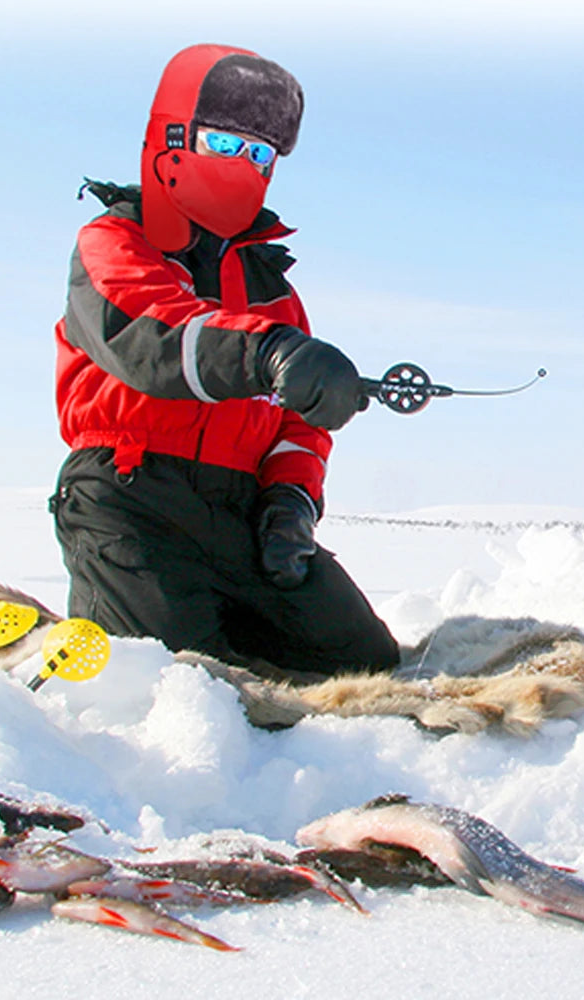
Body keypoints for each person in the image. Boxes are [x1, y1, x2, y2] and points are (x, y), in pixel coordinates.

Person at [49, 42, 400, 678]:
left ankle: (220, 614)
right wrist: (268, 352)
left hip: (239, 514)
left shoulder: (276, 290)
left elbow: (299, 422)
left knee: (364, 660)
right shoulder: (115, 242)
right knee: (180, 682)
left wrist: (289, 499)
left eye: (262, 153)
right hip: (131, 496)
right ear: (174, 134)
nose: (247, 165)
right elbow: (152, 336)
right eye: (227, 144)